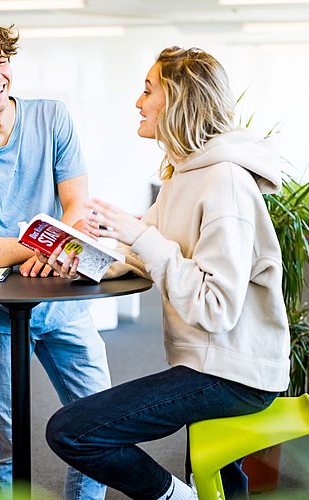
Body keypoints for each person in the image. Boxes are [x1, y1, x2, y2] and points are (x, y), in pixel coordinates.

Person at [39, 46, 290, 500]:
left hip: (232, 373)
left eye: (148, 90)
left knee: (72, 431)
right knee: (219, 478)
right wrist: (85, 259)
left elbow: (216, 307)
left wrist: (141, 236)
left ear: (178, 101)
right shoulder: (183, 176)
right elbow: (143, 253)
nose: (138, 101)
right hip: (205, 363)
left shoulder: (225, 182)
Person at [0, 19, 111, 499]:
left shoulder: (51, 117)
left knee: (98, 425)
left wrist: (51, 241)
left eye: (2, 60)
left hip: (66, 301)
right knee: (6, 440)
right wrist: (46, 243)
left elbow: (77, 204)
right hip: (1, 312)